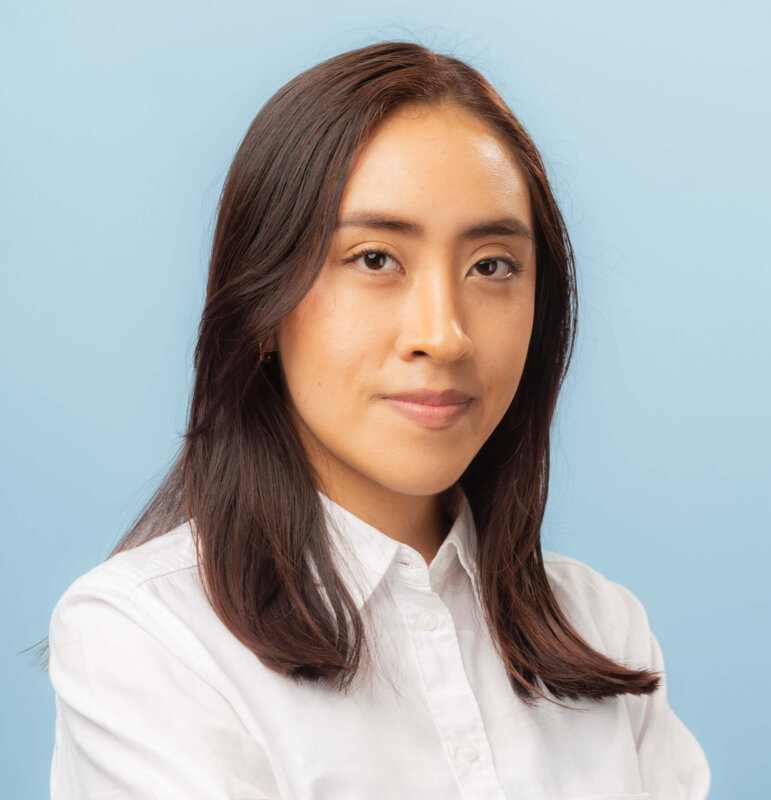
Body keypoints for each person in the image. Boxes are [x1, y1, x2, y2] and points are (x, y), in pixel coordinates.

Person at [45, 40, 711, 799]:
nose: (445, 334)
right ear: (261, 302)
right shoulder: (146, 639)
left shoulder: (602, 626)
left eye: (492, 266)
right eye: (374, 259)